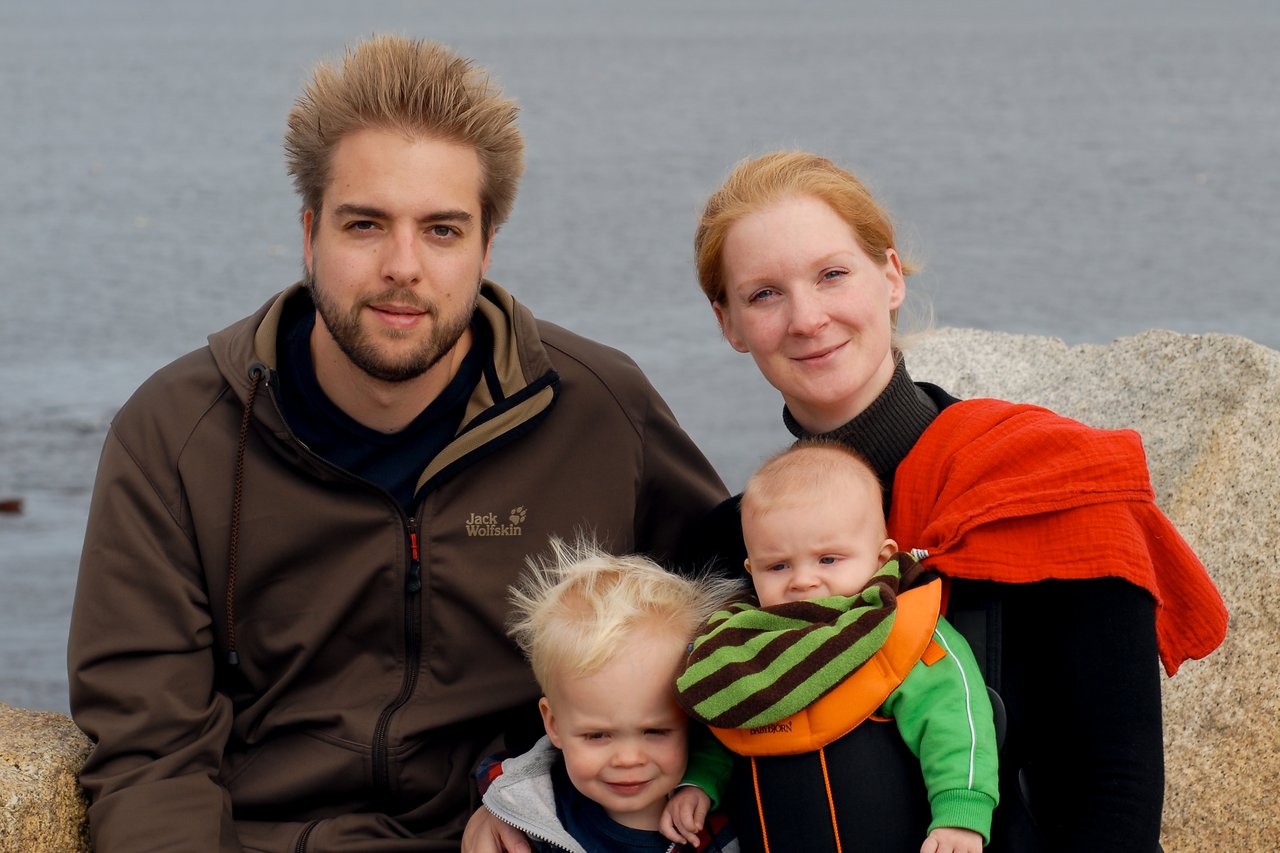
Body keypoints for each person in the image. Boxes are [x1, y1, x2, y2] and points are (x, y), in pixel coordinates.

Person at [67, 35, 726, 852]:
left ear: (487, 249)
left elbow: (737, 620)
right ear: (310, 236)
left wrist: (547, 796)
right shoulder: (175, 434)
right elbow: (150, 751)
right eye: (366, 224)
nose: (402, 266)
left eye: (442, 230)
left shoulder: (598, 408)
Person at [680, 151, 1228, 852]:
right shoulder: (725, 553)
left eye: (832, 274)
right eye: (763, 294)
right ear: (729, 324)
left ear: (889, 277)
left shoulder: (1044, 486)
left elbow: (1114, 800)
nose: (807, 317)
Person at [677, 441, 998, 853]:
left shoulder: (903, 632)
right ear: (750, 571)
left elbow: (956, 721)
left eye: (828, 559)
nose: (803, 581)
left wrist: (961, 812)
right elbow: (727, 717)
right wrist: (699, 781)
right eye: (778, 566)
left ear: (881, 557)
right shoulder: (742, 645)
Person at [479, 538, 741, 852]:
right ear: (554, 725)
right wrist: (496, 812)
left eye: (655, 731)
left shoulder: (724, 829)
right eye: (598, 735)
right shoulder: (526, 812)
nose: (628, 759)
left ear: (690, 719)